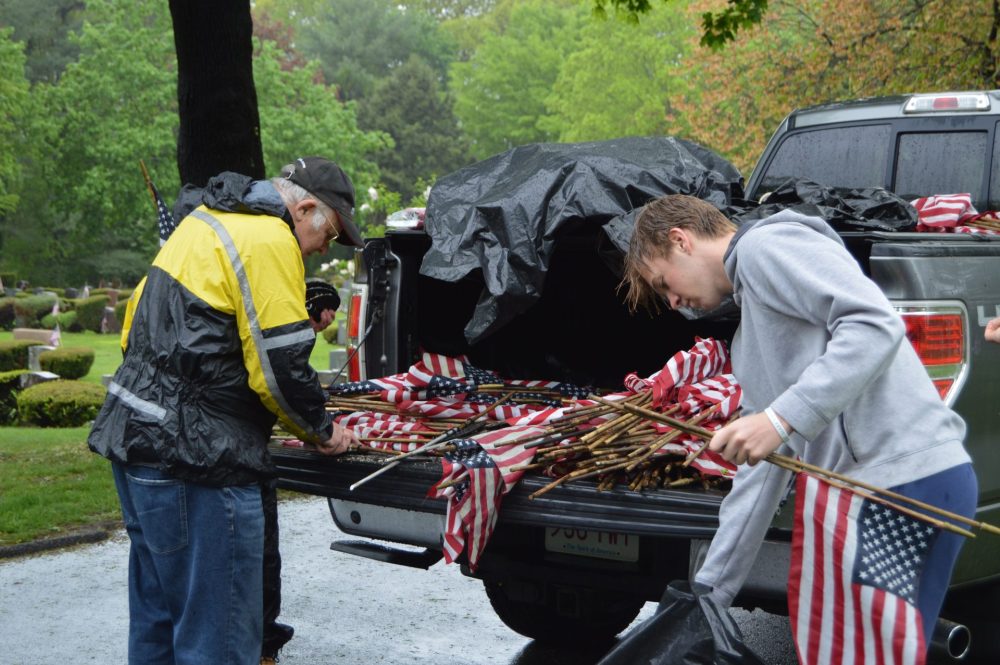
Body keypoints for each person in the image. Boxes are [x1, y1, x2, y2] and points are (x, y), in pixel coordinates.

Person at [623, 194, 976, 655]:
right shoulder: (750, 340)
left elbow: (874, 324)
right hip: (875, 491)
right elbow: (763, 467)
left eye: (662, 282)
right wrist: (708, 594)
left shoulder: (766, 248)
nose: (671, 302)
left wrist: (780, 418)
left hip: (899, 486)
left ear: (680, 240)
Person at [89, 156, 362, 665]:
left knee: (158, 632)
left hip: (134, 449)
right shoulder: (270, 239)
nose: (325, 250)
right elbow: (277, 371)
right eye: (329, 235)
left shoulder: (204, 222)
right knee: (217, 644)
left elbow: (136, 330)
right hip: (199, 465)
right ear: (303, 208)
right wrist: (323, 432)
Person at [260, 279, 342, 665]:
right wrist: (321, 430)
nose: (330, 318)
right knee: (256, 555)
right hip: (230, 454)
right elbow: (286, 378)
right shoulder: (287, 323)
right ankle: (261, 648)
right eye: (327, 309)